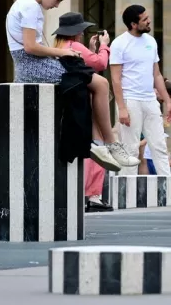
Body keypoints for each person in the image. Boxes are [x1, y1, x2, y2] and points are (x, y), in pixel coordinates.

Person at [5, 0, 137, 173]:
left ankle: (101, 142)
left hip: (30, 64)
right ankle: (107, 143)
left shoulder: (24, 3)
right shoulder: (30, 7)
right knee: (99, 83)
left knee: (93, 84)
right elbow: (30, 47)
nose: (57, 5)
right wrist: (63, 52)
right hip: (32, 66)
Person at [51, 11, 118, 211]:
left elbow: (86, 70)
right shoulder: (73, 45)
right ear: (75, 32)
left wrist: (91, 50)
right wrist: (104, 45)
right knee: (98, 144)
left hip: (70, 101)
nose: (82, 33)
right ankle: (93, 195)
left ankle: (87, 194)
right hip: (84, 101)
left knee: (89, 146)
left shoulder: (58, 47)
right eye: (81, 30)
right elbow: (100, 63)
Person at [110, 5, 171, 177]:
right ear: (133, 24)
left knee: (159, 146)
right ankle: (127, 191)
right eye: (144, 19)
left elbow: (157, 74)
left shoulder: (151, 42)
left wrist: (168, 102)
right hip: (130, 100)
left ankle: (167, 188)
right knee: (130, 149)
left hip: (150, 100)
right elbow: (115, 79)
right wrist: (122, 108)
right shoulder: (119, 44)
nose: (149, 21)